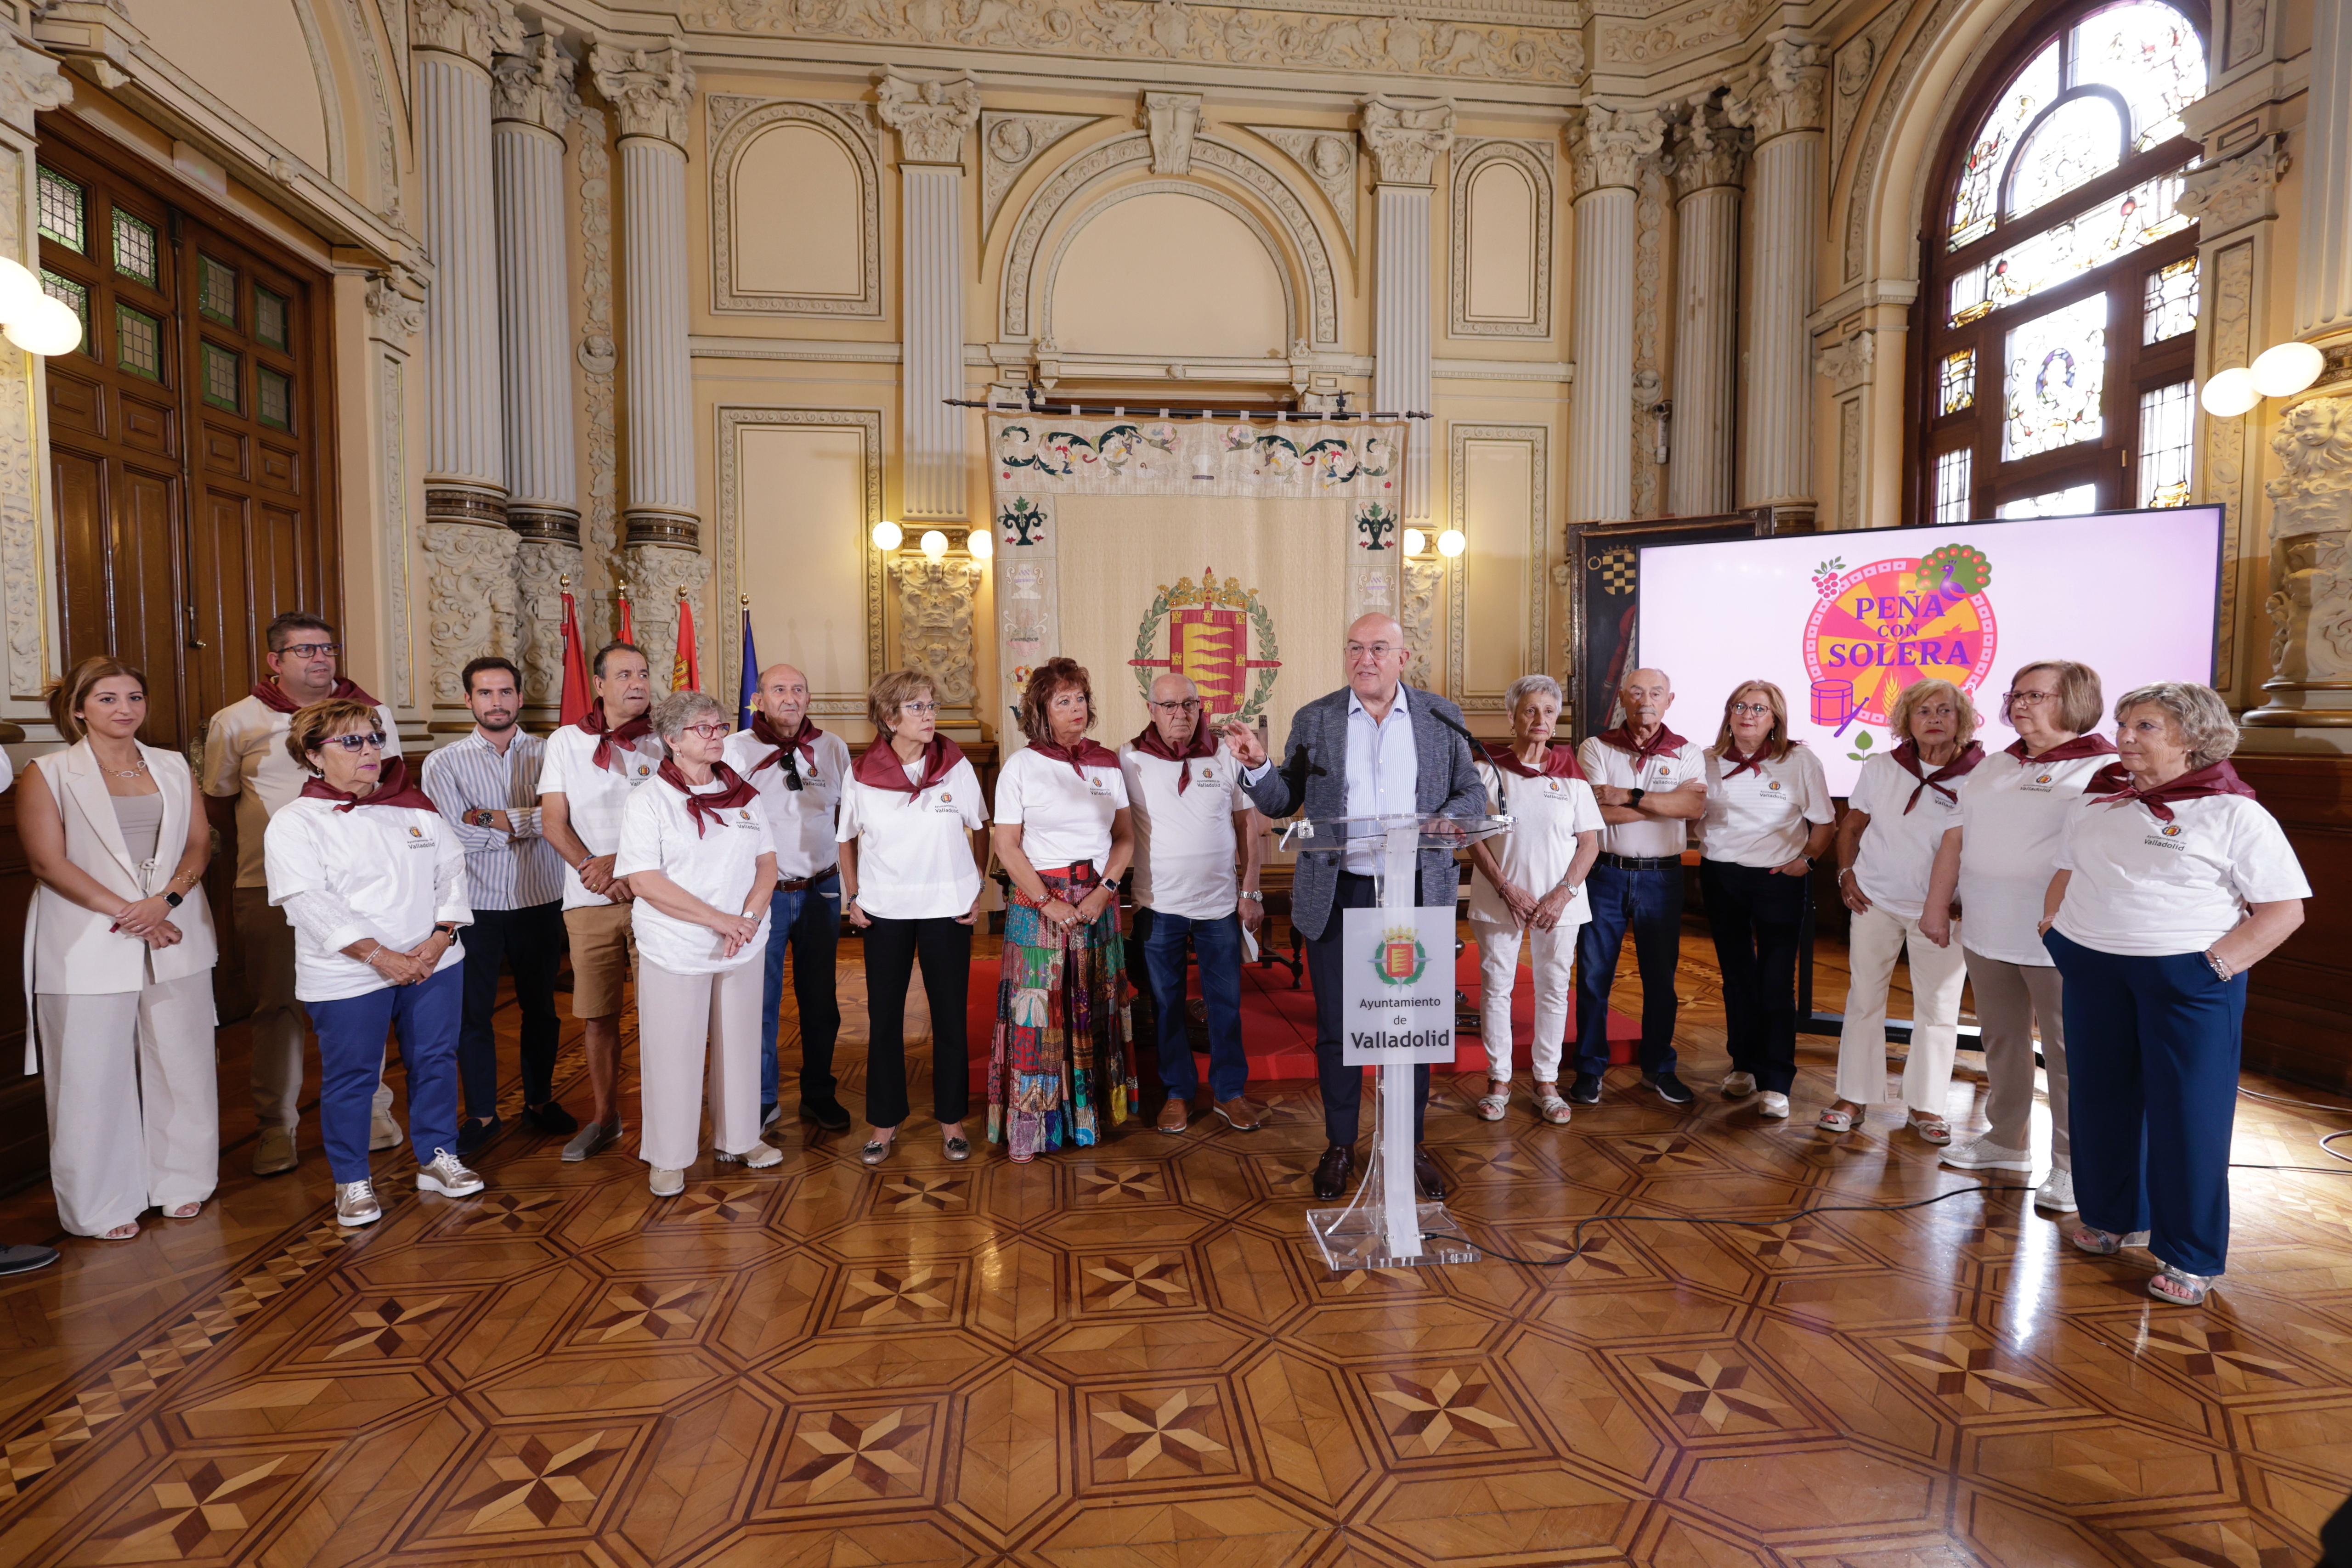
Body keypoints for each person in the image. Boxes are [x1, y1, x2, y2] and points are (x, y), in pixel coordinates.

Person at [2042, 681, 2308, 1305]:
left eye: (2145, 726)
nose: (2124, 737)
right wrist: (2053, 931)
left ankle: (2189, 1255)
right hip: (2091, 970)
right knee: (2100, 1099)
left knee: (2189, 1116)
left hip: (2188, 981)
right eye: (2123, 724)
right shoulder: (2096, 800)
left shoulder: (2235, 812)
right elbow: (2065, 871)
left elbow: (2284, 910)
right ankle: (2111, 1217)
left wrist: (2212, 968)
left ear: (2192, 738)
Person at [1223, 613, 1484, 1203]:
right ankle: (1340, 1144)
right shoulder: (1315, 718)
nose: (1364, 659)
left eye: (1377, 649)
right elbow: (1283, 800)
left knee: (1412, 1027)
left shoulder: (1441, 716)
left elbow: (1471, 790)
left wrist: (1451, 817)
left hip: (1414, 892)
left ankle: (1407, 1145)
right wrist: (1256, 765)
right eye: (1354, 649)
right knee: (1339, 1029)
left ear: (1402, 658)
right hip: (1339, 892)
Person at [19, 657, 219, 1238]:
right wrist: (133, 914)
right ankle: (101, 1203)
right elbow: (47, 863)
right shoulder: (49, 772)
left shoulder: (173, 765)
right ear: (79, 709)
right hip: (85, 936)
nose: (125, 709)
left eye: (134, 697)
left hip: (176, 928)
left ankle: (182, 1181)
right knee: (89, 1073)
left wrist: (166, 903)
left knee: (183, 1062)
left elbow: (199, 844)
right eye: (107, 699)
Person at [203, 610, 404, 1176]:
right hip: (269, 885)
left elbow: (390, 789)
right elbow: (218, 801)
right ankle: (277, 1125)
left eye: (328, 648)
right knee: (277, 1007)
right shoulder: (236, 721)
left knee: (365, 999)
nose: (321, 658)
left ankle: (372, 1107)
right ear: (276, 660)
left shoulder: (372, 713)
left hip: (359, 887)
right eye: (306, 650)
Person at [266, 698, 477, 1227]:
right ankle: (352, 1180)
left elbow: (452, 871)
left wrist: (440, 938)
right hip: (349, 972)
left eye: (374, 739)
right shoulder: (295, 822)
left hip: (433, 962)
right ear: (314, 756)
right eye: (351, 741)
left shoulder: (414, 806)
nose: (369, 751)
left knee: (435, 1060)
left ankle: (438, 1157)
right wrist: (381, 957)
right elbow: (309, 902)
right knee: (353, 1077)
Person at [1921, 660, 2113, 1210]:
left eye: (2034, 695)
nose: (2018, 705)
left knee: (2067, 1055)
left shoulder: (2102, 768)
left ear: (2074, 701)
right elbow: (1954, 838)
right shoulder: (1995, 764)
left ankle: (2073, 1166)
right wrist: (1936, 905)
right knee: (2001, 1041)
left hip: (2059, 936)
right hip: (1986, 928)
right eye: (2015, 695)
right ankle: (2006, 1141)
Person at [614, 690, 783, 1196]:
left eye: (719, 726)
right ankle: (668, 1157)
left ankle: (740, 1138)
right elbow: (644, 881)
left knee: (740, 1044)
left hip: (743, 941)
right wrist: (720, 921)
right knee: (673, 1053)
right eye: (703, 729)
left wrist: (746, 920)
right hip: (676, 944)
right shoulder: (648, 800)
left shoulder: (745, 795)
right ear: (672, 739)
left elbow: (767, 863)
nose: (716, 736)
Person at [420, 656, 574, 1156]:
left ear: (520, 698)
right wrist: (533, 824)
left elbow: (565, 821)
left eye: (505, 692)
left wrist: (487, 817)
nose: (497, 702)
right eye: (485, 693)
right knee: (473, 1015)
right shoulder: (443, 763)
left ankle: (540, 1101)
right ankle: (483, 1114)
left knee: (542, 1009)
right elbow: (453, 835)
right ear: (468, 700)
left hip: (540, 900)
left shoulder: (553, 753)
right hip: (475, 907)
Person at [987, 659, 1138, 1159]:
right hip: (1038, 903)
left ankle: (1087, 1123)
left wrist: (1105, 890)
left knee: (1093, 1005)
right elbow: (1007, 846)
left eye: (1081, 699)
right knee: (1037, 1016)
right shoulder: (1021, 766)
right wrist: (1046, 902)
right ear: (1041, 711)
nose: (1077, 708)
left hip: (1096, 900)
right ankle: (1031, 1130)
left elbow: (1124, 837)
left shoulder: (1106, 763)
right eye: (1063, 701)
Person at [1822, 677, 1982, 1143]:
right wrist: (1845, 874)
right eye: (1923, 711)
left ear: (1961, 720)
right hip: (1875, 901)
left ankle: (1926, 1106)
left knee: (1939, 1008)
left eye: (1945, 711)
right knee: (1864, 999)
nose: (1934, 719)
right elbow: (1853, 825)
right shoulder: (1880, 767)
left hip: (1947, 912)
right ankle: (1852, 1098)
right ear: (1906, 721)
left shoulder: (1982, 775)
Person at [839, 670, 989, 1164]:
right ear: (889, 717)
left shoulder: (955, 764)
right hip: (885, 911)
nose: (930, 715)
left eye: (931, 706)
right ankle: (884, 1122)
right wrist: (853, 895)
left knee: (950, 1018)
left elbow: (980, 827)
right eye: (917, 707)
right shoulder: (861, 772)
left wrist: (977, 886)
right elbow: (846, 838)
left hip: (948, 908)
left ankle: (952, 1119)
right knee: (884, 1019)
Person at [1119, 672, 1266, 1135]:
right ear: (1151, 710)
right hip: (1159, 904)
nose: (1179, 714)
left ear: (1201, 707)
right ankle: (1177, 1093)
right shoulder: (1129, 759)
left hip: (1219, 905)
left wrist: (1251, 890)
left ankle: (1230, 1092)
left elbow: (1248, 826)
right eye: (1168, 706)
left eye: (1188, 704)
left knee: (1226, 1005)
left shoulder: (1224, 754)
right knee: (1166, 1007)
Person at [537, 642, 665, 1161]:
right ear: (599, 684)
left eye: (643, 673)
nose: (637, 683)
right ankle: (605, 1117)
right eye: (625, 674)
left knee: (662, 1013)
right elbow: (553, 822)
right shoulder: (566, 741)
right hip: (588, 897)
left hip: (657, 898)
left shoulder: (667, 737)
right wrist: (595, 869)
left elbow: (680, 814)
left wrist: (623, 865)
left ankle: (666, 1122)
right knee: (598, 1015)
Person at [722, 663, 854, 1136]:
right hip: (764, 897)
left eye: (799, 689)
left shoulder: (832, 748)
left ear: (808, 698)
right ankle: (762, 1098)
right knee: (761, 1001)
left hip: (820, 891)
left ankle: (819, 1093)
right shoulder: (735, 749)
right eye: (779, 690)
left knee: (821, 1001)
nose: (790, 698)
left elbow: (847, 819)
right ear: (759, 700)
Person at [1464, 675, 1601, 1126]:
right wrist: (1506, 887)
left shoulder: (1570, 772)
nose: (1540, 718)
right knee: (1496, 988)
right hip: (1499, 898)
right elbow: (1471, 836)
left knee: (1554, 989)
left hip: (1560, 905)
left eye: (1548, 710)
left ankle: (1546, 1081)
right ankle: (1499, 1080)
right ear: (1512, 717)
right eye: (1529, 710)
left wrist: (1562, 894)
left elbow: (1589, 844)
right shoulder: (1486, 770)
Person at [1698, 680, 1834, 1121]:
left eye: (1759, 708)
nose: (1748, 715)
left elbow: (1825, 824)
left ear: (1775, 717)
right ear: (1728, 714)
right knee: (1736, 978)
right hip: (1721, 878)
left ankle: (1776, 1079)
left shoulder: (1799, 761)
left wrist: (1806, 862)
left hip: (1778, 880)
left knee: (1775, 982)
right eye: (1739, 706)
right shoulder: (1707, 760)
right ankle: (1743, 1064)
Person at [1572, 668, 1707, 1106]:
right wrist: (1665, 806)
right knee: (1594, 977)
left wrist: (1627, 796)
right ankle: (1589, 1069)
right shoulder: (1596, 747)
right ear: (1623, 699)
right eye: (1636, 692)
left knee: (1661, 979)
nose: (1646, 700)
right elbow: (1592, 811)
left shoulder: (1687, 751)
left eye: (1655, 692)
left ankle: (1659, 1068)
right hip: (1605, 874)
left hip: (1663, 878)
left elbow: (1694, 807)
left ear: (1670, 700)